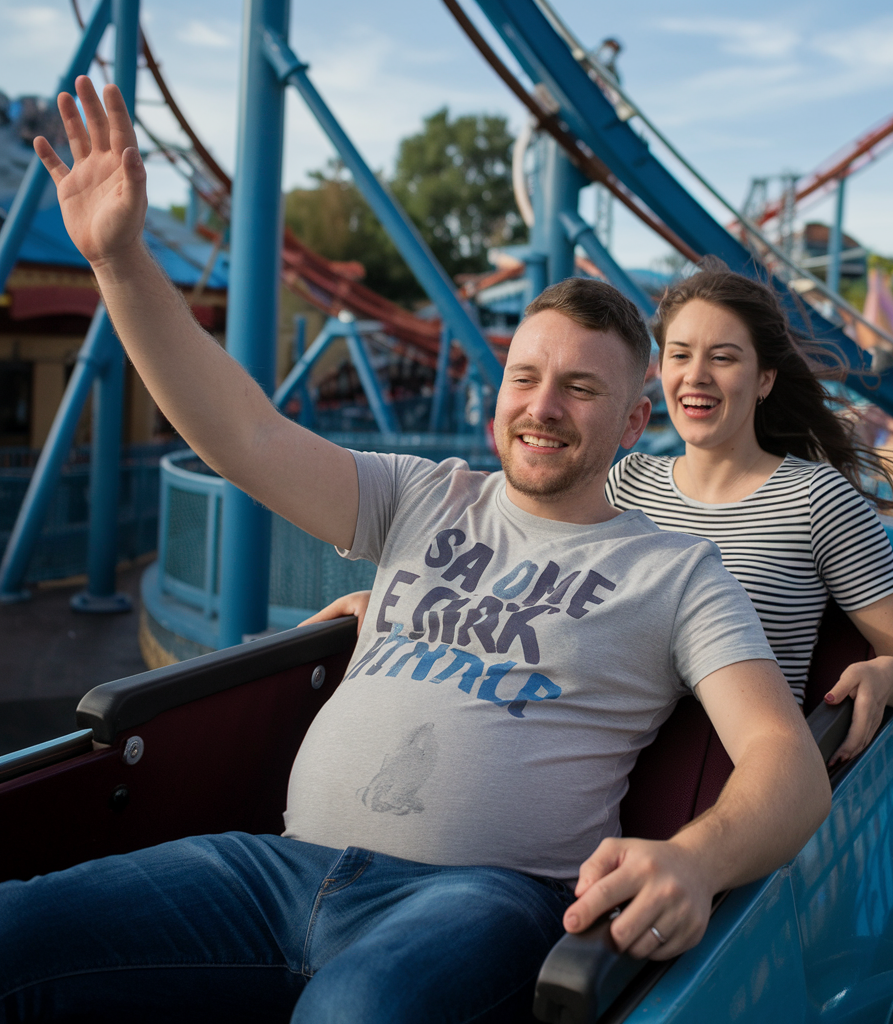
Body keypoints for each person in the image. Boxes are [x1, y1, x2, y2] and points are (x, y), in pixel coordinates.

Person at [0, 80, 830, 1024]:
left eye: (581, 390)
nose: (543, 406)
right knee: (17, 930)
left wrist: (694, 858)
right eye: (526, 377)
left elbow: (784, 761)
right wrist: (119, 261)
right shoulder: (421, 496)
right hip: (278, 866)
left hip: (482, 895)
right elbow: (244, 436)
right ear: (498, 394)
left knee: (357, 1014)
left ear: (636, 419)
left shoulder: (677, 573)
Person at [309, 263, 893, 766]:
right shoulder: (628, 480)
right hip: (589, 754)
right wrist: (411, 593)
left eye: (723, 358)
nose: (695, 376)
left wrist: (887, 671)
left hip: (718, 771)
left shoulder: (816, 501)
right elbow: (525, 584)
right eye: (679, 355)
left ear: (764, 380)